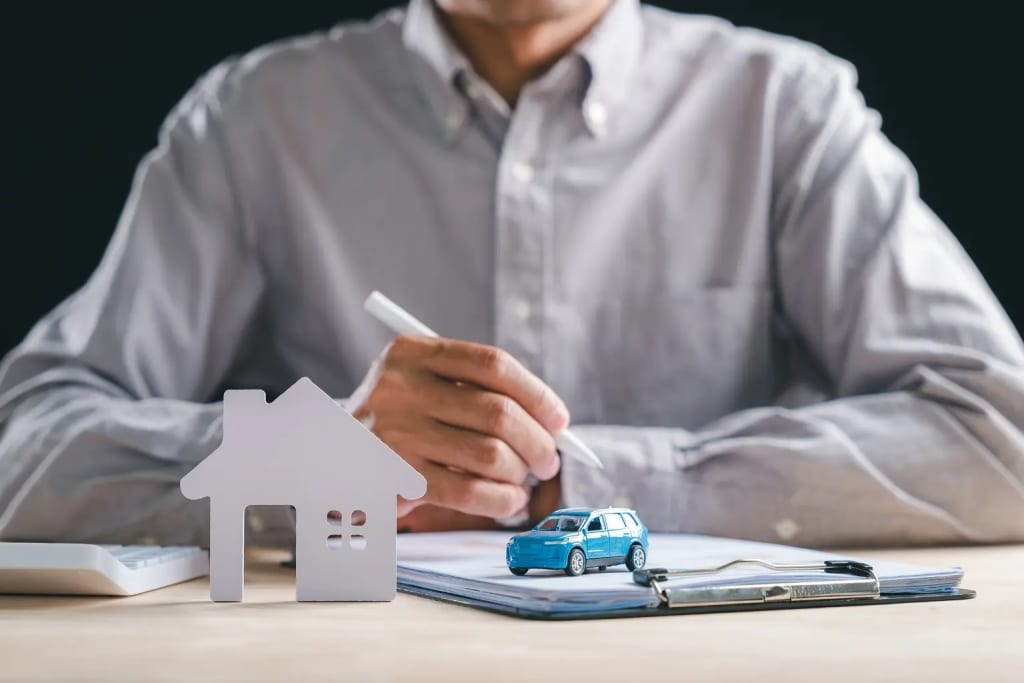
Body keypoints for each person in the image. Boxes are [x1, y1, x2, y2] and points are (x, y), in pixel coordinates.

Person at [1, 0, 1023, 549]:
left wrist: (572, 485)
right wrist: (319, 461)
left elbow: (999, 433)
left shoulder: (785, 110)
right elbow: (26, 444)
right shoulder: (254, 121)